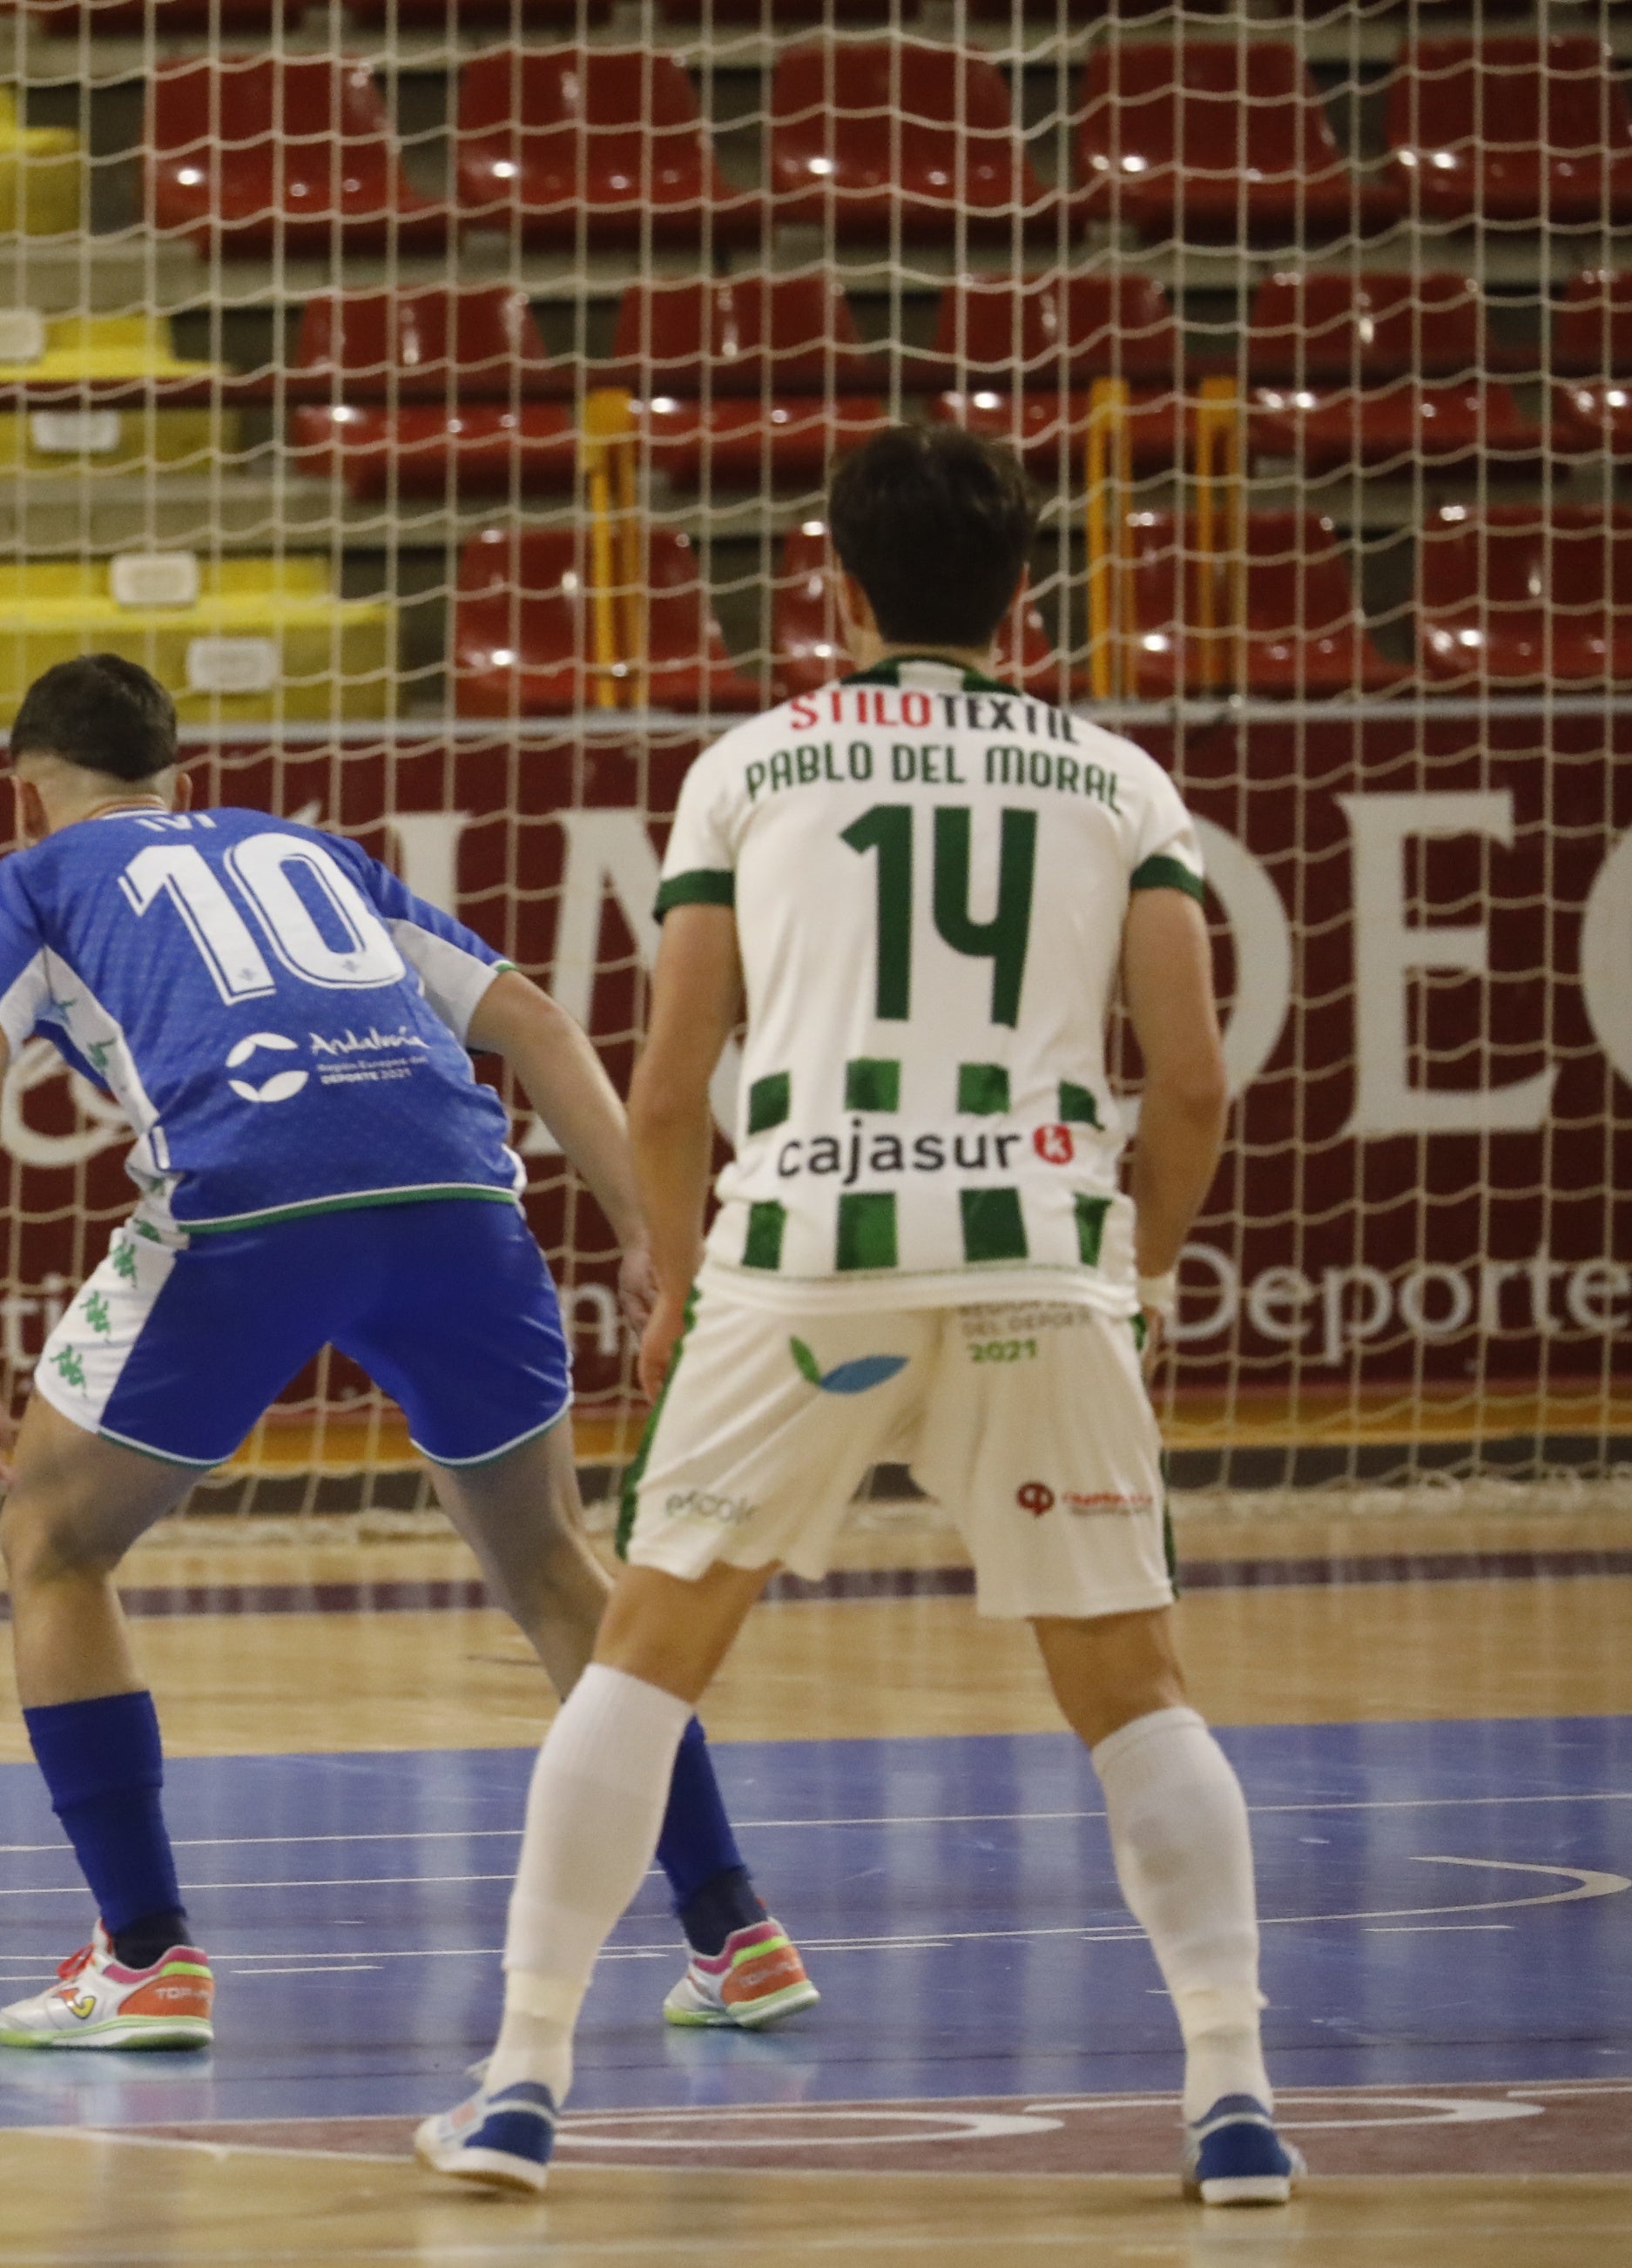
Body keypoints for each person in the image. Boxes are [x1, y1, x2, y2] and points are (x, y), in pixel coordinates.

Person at [417, 425, 1291, 2206]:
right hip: (1036, 1248)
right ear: (1026, 596)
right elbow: (1188, 1086)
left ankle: (518, 2081)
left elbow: (666, 1089)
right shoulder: (1115, 779)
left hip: (806, 1252)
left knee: (644, 1657)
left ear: (831, 587)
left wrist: (668, 1273)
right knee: (1130, 1682)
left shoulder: (748, 765)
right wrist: (1129, 1275)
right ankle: (1233, 2093)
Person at [0, 654, 813, 2052]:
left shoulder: (30, 882)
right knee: (556, 1566)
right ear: (181, 782)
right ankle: (735, 1928)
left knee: (51, 1536)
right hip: (459, 1198)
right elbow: (538, 1024)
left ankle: (144, 1954)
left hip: (248, 1207)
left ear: (28, 791)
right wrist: (645, 1232)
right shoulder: (315, 853)